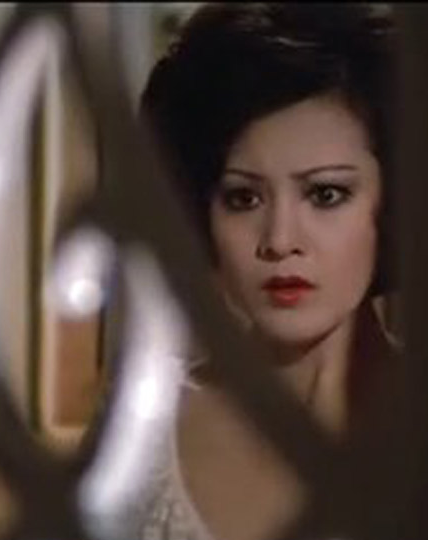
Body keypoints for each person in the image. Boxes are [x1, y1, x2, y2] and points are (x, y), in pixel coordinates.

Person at [131, 4, 398, 539]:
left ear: (393, 199)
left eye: (326, 195)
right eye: (243, 198)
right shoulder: (140, 430)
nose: (279, 241)